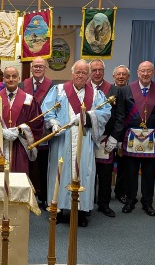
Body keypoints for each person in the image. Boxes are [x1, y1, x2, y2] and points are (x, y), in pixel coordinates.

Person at [43, 60, 111, 227]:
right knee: (59, 172)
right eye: (78, 72)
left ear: (88, 76)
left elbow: (105, 113)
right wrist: (53, 123)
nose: (80, 76)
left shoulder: (96, 95)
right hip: (63, 139)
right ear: (72, 73)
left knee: (83, 172)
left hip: (84, 139)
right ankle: (57, 208)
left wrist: (87, 117)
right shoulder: (58, 90)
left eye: (84, 73)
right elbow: (47, 110)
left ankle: (81, 211)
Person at [112, 61, 155, 216]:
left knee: (149, 173)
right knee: (130, 172)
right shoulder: (127, 90)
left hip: (152, 139)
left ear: (153, 72)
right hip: (130, 138)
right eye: (143, 71)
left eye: (149, 71)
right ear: (137, 72)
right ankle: (130, 200)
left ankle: (147, 203)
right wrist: (119, 139)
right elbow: (121, 115)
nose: (145, 74)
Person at [0, 66, 43, 173]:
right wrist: (1, 131)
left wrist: (20, 130)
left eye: (14, 76)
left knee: (18, 178)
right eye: (7, 76)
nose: (11, 79)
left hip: (19, 146)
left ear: (19, 79)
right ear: (3, 79)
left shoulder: (29, 100)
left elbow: (37, 122)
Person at [20, 56, 54, 207]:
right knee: (25, 167)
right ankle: (24, 198)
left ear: (45, 68)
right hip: (25, 133)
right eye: (35, 66)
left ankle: (45, 197)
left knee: (44, 167)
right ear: (31, 68)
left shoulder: (53, 87)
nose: (38, 68)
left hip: (43, 133)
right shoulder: (22, 85)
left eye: (41, 66)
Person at [90, 60, 120, 218]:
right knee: (87, 173)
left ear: (104, 71)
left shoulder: (114, 90)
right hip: (87, 139)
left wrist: (114, 137)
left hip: (106, 140)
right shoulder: (84, 89)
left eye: (100, 70)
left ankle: (104, 204)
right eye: (94, 70)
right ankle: (87, 204)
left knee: (105, 175)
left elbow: (120, 116)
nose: (97, 73)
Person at [111, 64, 130, 204]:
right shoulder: (108, 90)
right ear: (114, 76)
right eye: (119, 74)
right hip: (109, 134)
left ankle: (121, 192)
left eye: (124, 74)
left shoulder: (132, 91)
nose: (121, 76)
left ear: (128, 77)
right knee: (105, 166)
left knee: (124, 166)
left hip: (126, 135)